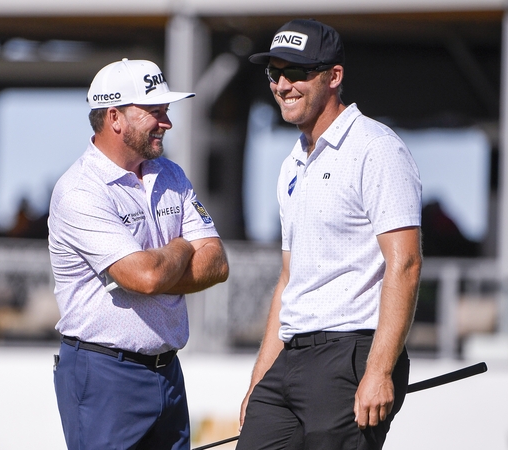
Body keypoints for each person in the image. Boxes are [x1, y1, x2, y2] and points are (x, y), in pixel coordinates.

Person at [237, 19, 423, 450]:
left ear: (334, 76)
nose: (283, 85)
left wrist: (378, 371)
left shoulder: (377, 148)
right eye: (274, 74)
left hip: (351, 354)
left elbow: (406, 263)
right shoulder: (291, 164)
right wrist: (259, 380)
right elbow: (288, 280)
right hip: (291, 359)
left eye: (297, 73)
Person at [48, 58, 229, 450]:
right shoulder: (80, 190)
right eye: (154, 111)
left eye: (166, 111)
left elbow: (216, 263)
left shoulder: (171, 173)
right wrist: (182, 245)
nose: (167, 122)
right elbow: (144, 278)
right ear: (114, 117)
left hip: (167, 371)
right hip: (103, 373)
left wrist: (157, 268)